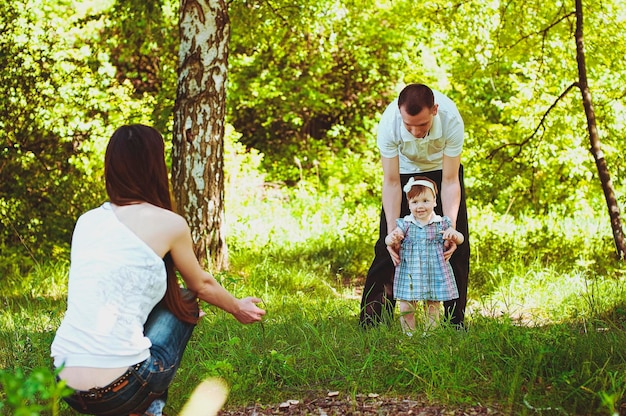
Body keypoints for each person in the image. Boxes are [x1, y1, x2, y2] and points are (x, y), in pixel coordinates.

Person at [50, 124, 266, 416]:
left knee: (171, 300)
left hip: (65, 385)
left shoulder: (86, 221)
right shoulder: (169, 223)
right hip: (121, 390)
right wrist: (238, 307)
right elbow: (201, 284)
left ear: (111, 167)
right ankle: (148, 412)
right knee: (186, 301)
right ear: (155, 166)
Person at [359, 83, 470, 329]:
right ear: (400, 113)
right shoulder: (389, 123)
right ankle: (372, 322)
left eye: (421, 125)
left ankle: (454, 323)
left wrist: (448, 228)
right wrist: (392, 233)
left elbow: (451, 181)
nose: (414, 131)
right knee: (388, 247)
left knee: (456, 246)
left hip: (442, 170)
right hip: (403, 173)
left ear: (435, 111)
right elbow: (390, 182)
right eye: (408, 125)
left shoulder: (451, 120)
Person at [385, 176, 465, 335]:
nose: (420, 206)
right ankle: (409, 334)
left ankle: (430, 334)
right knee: (407, 304)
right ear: (409, 204)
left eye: (425, 201)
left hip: (433, 269)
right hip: (410, 271)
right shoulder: (406, 224)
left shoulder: (442, 223)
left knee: (433, 304)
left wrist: (454, 234)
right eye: (414, 202)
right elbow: (389, 239)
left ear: (435, 201)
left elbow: (461, 239)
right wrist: (391, 239)